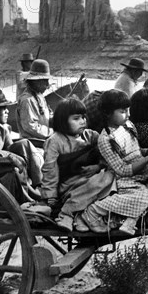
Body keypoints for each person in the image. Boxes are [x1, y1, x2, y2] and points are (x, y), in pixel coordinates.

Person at [82, 89, 148, 235]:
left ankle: (129, 218)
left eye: (128, 110)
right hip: (127, 180)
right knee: (142, 197)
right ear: (108, 113)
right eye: (123, 111)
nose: (128, 115)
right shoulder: (105, 139)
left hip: (143, 172)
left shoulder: (128, 125)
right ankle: (94, 210)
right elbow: (122, 170)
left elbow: (137, 150)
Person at [41, 98, 114, 232]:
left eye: (83, 117)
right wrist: (50, 196)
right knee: (100, 182)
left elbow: (107, 155)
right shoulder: (55, 141)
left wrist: (98, 167)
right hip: (69, 186)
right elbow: (50, 170)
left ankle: (83, 216)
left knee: (111, 176)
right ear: (63, 121)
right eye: (76, 118)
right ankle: (67, 212)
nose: (82, 121)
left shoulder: (91, 136)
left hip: (91, 180)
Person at [0, 86, 44, 196]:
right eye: (3, 108)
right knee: (14, 170)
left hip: (4, 165)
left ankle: (40, 184)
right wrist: (7, 157)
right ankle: (32, 195)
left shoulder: (3, 129)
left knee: (24, 144)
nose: (7, 111)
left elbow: (14, 151)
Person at [16, 59, 53, 144]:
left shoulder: (40, 96)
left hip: (44, 140)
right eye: (45, 81)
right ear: (36, 81)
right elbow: (30, 126)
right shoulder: (27, 100)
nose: (47, 85)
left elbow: (45, 116)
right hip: (33, 143)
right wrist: (51, 132)